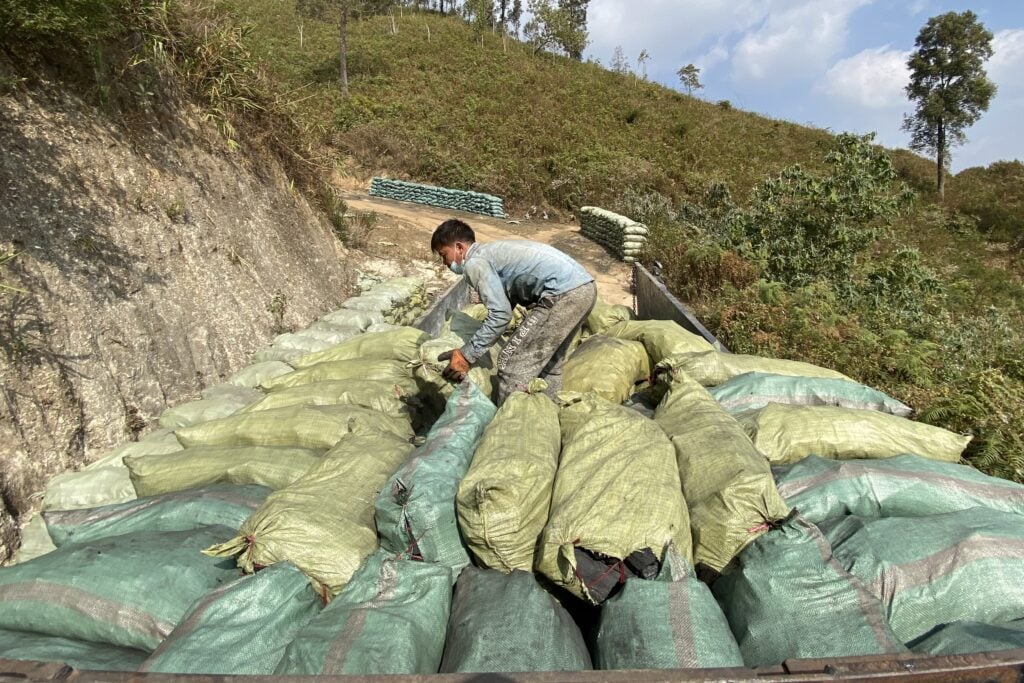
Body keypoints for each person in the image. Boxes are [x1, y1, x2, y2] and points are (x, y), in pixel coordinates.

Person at [431, 218, 597, 405]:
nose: (444, 263)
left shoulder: (474, 263)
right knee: (550, 365)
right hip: (585, 287)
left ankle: (508, 427)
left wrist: (467, 354)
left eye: (443, 254)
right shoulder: (492, 252)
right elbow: (506, 302)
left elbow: (501, 315)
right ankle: (547, 415)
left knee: (510, 366)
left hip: (562, 293)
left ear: (459, 248)